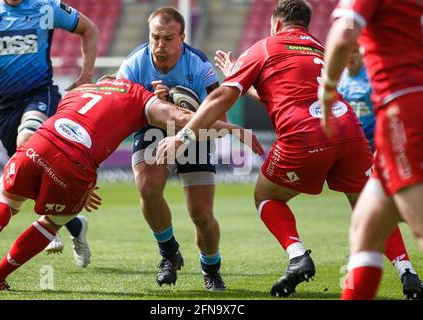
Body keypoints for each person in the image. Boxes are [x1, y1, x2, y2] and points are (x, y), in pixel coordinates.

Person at [157, 0, 420, 298]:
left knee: (266, 196)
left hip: (305, 135)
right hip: (349, 131)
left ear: (276, 24)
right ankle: (407, 272)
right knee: (371, 207)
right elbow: (282, 95)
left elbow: (220, 99)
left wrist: (183, 137)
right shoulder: (318, 47)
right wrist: (242, 76)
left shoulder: (266, 46)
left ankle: (297, 257)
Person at [0, 74, 263, 291]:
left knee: (5, 197)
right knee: (52, 222)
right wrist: (229, 127)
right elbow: (180, 116)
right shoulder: (139, 97)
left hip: (43, 142)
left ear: (107, 79)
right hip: (77, 166)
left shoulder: (81, 90)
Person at [0, 0, 100, 266]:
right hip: (5, 104)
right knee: (27, 176)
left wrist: (86, 74)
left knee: (26, 141)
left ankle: (48, 229)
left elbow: (89, 29)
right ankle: (75, 225)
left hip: (39, 94)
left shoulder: (47, 7)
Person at [116, 7, 228, 290]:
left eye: (167, 38)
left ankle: (211, 270)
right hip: (152, 128)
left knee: (200, 214)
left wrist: (184, 126)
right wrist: (153, 108)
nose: (160, 45)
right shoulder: (132, 66)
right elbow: (116, 115)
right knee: (147, 187)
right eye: (155, 37)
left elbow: (221, 123)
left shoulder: (200, 66)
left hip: (195, 131)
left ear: (182, 38)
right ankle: (168, 254)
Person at [319, 0, 423, 300]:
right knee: (365, 231)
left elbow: (344, 35)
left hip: (403, 110)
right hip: (407, 109)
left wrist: (326, 90)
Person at [338, 46, 375, 151]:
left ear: (361, 53)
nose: (350, 56)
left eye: (354, 51)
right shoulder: (338, 78)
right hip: (351, 142)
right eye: (346, 51)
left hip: (372, 141)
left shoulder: (371, 77)